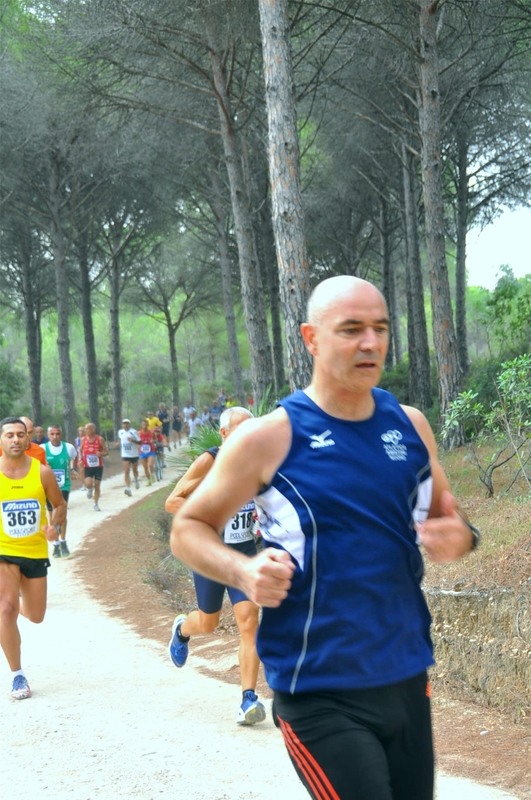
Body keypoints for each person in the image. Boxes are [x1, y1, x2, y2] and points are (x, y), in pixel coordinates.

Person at [170, 276, 479, 800]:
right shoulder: (268, 438)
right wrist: (243, 571)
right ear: (311, 338)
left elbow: (448, 519)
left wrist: (460, 538)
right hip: (319, 690)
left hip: (405, 674)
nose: (370, 343)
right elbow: (187, 527)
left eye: (380, 328)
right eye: (351, 329)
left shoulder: (409, 426)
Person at [166, 406, 266, 726]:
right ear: (224, 434)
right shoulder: (209, 461)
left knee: (249, 621)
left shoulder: (259, 461)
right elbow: (173, 501)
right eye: (241, 431)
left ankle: (248, 699)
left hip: (244, 553)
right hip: (210, 554)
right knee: (208, 623)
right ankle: (182, 631)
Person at [0, 417, 66, 699]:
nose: (15, 439)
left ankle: (18, 607)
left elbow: (59, 505)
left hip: (35, 552)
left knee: (36, 616)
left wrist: (54, 527)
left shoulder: (42, 473)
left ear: (28, 439)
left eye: (20, 435)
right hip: (4, 551)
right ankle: (18, 676)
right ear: (1, 440)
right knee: (5, 609)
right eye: (9, 435)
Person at [43, 425, 78, 558]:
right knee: (52, 514)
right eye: (52, 434)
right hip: (48, 486)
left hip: (63, 485)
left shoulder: (69, 447)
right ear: (48, 435)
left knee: (62, 513)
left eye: (57, 434)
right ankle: (56, 544)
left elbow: (74, 459)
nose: (55, 436)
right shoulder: (43, 449)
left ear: (61, 434)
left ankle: (62, 541)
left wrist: (72, 469)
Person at [80, 423, 109, 511]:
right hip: (88, 466)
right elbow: (80, 450)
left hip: (98, 466)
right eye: (85, 429)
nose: (86, 431)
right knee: (88, 483)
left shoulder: (100, 439)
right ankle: (89, 489)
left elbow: (106, 452)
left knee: (97, 485)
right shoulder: (83, 439)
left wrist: (101, 454)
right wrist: (80, 459)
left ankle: (95, 503)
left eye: (88, 429)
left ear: (93, 430)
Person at [116, 419, 141, 497]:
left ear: (129, 424)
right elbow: (121, 439)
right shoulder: (120, 432)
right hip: (125, 454)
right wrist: (118, 443)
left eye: (127, 424)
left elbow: (140, 442)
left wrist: (133, 440)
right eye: (124, 424)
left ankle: (136, 479)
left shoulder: (133, 432)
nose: (125, 425)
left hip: (134, 454)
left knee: (134, 470)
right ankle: (128, 488)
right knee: (126, 471)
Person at [138, 419, 156, 485]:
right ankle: (148, 480)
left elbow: (155, 438)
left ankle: (152, 474)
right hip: (142, 452)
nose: (144, 426)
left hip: (150, 451)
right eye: (143, 425)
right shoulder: (139, 433)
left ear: (148, 425)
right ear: (141, 425)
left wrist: (153, 440)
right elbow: (137, 441)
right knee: (145, 467)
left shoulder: (151, 432)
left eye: (146, 425)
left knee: (150, 465)